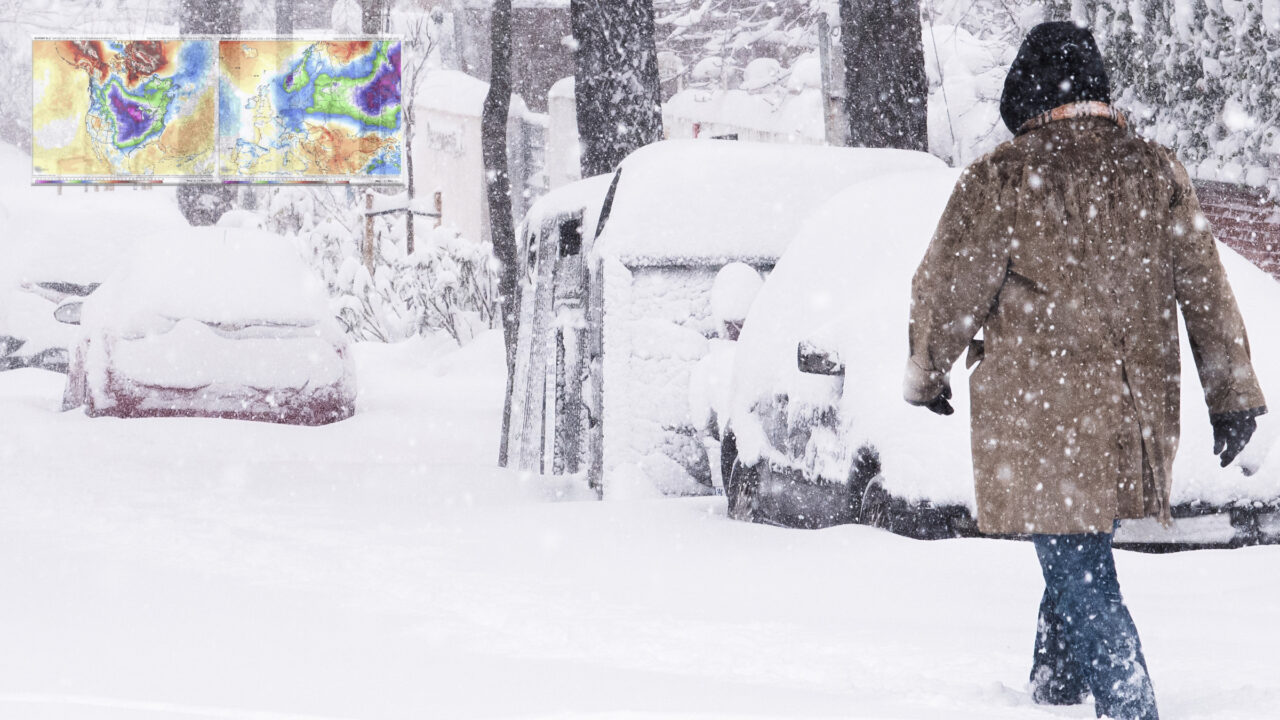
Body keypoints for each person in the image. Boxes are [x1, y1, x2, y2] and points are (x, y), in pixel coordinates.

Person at [903, 21, 1268, 720]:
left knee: (1078, 563)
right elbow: (1207, 293)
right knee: (1075, 544)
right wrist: (1231, 394)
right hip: (1133, 412)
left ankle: (1131, 708)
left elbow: (945, 287)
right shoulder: (1155, 170)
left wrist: (928, 370)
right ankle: (1052, 693)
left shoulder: (1002, 178)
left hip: (1043, 424)